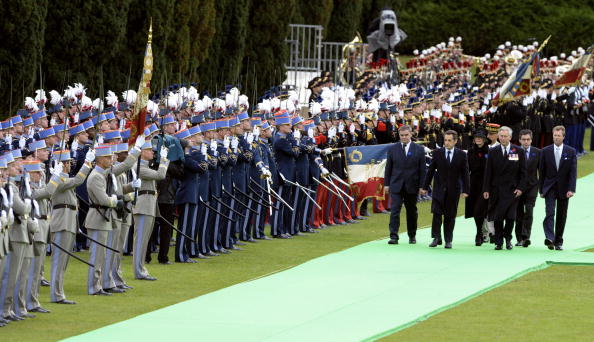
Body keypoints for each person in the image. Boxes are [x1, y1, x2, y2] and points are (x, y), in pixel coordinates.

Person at [421, 130, 469, 248]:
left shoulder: (461, 155)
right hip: (439, 188)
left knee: (450, 215)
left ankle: (448, 239)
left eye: (449, 140)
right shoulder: (437, 153)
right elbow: (431, 170)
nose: (446, 143)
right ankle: (436, 238)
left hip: (454, 189)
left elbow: (465, 174)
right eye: (445, 140)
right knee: (437, 213)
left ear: (455, 141)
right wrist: (425, 187)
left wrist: (466, 190)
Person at [483, 126, 527, 250]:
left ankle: (508, 240)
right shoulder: (493, 151)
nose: (503, 138)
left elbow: (523, 173)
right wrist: (486, 189)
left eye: (505, 136)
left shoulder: (518, 151)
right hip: (496, 190)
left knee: (510, 217)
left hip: (512, 191)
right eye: (501, 136)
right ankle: (498, 241)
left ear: (510, 137)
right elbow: (488, 172)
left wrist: (520, 188)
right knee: (498, 217)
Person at [384, 125, 426, 244]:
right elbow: (388, 168)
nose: (404, 137)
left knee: (412, 211)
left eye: (406, 135)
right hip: (396, 185)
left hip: (412, 185)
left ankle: (412, 235)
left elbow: (423, 170)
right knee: (395, 210)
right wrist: (386, 184)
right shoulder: (393, 149)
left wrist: (422, 186)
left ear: (411, 134)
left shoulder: (419, 149)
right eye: (401, 135)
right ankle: (393, 236)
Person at [539, 125, 577, 250]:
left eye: (558, 136)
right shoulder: (545, 151)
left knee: (561, 215)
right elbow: (542, 172)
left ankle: (558, 241)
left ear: (563, 137)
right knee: (549, 213)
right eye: (554, 135)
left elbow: (573, 172)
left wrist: (571, 189)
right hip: (549, 187)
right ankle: (550, 237)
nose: (556, 138)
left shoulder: (571, 151)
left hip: (564, 188)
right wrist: (541, 190)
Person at [514, 129, 541, 247]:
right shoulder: (514, 152)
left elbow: (541, 170)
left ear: (531, 140)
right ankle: (519, 238)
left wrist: (542, 187)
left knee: (529, 211)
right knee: (518, 213)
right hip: (518, 187)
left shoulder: (537, 152)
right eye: (523, 139)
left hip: (532, 186)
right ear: (519, 140)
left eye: (528, 139)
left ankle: (526, 236)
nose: (526, 142)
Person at [464, 128, 490, 246]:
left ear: (484, 139)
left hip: (485, 184)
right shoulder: (470, 151)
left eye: (480, 137)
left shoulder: (490, 151)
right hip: (473, 183)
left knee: (480, 209)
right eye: (476, 138)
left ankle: (481, 234)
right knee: (474, 210)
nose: (478, 139)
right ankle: (480, 232)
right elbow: (466, 169)